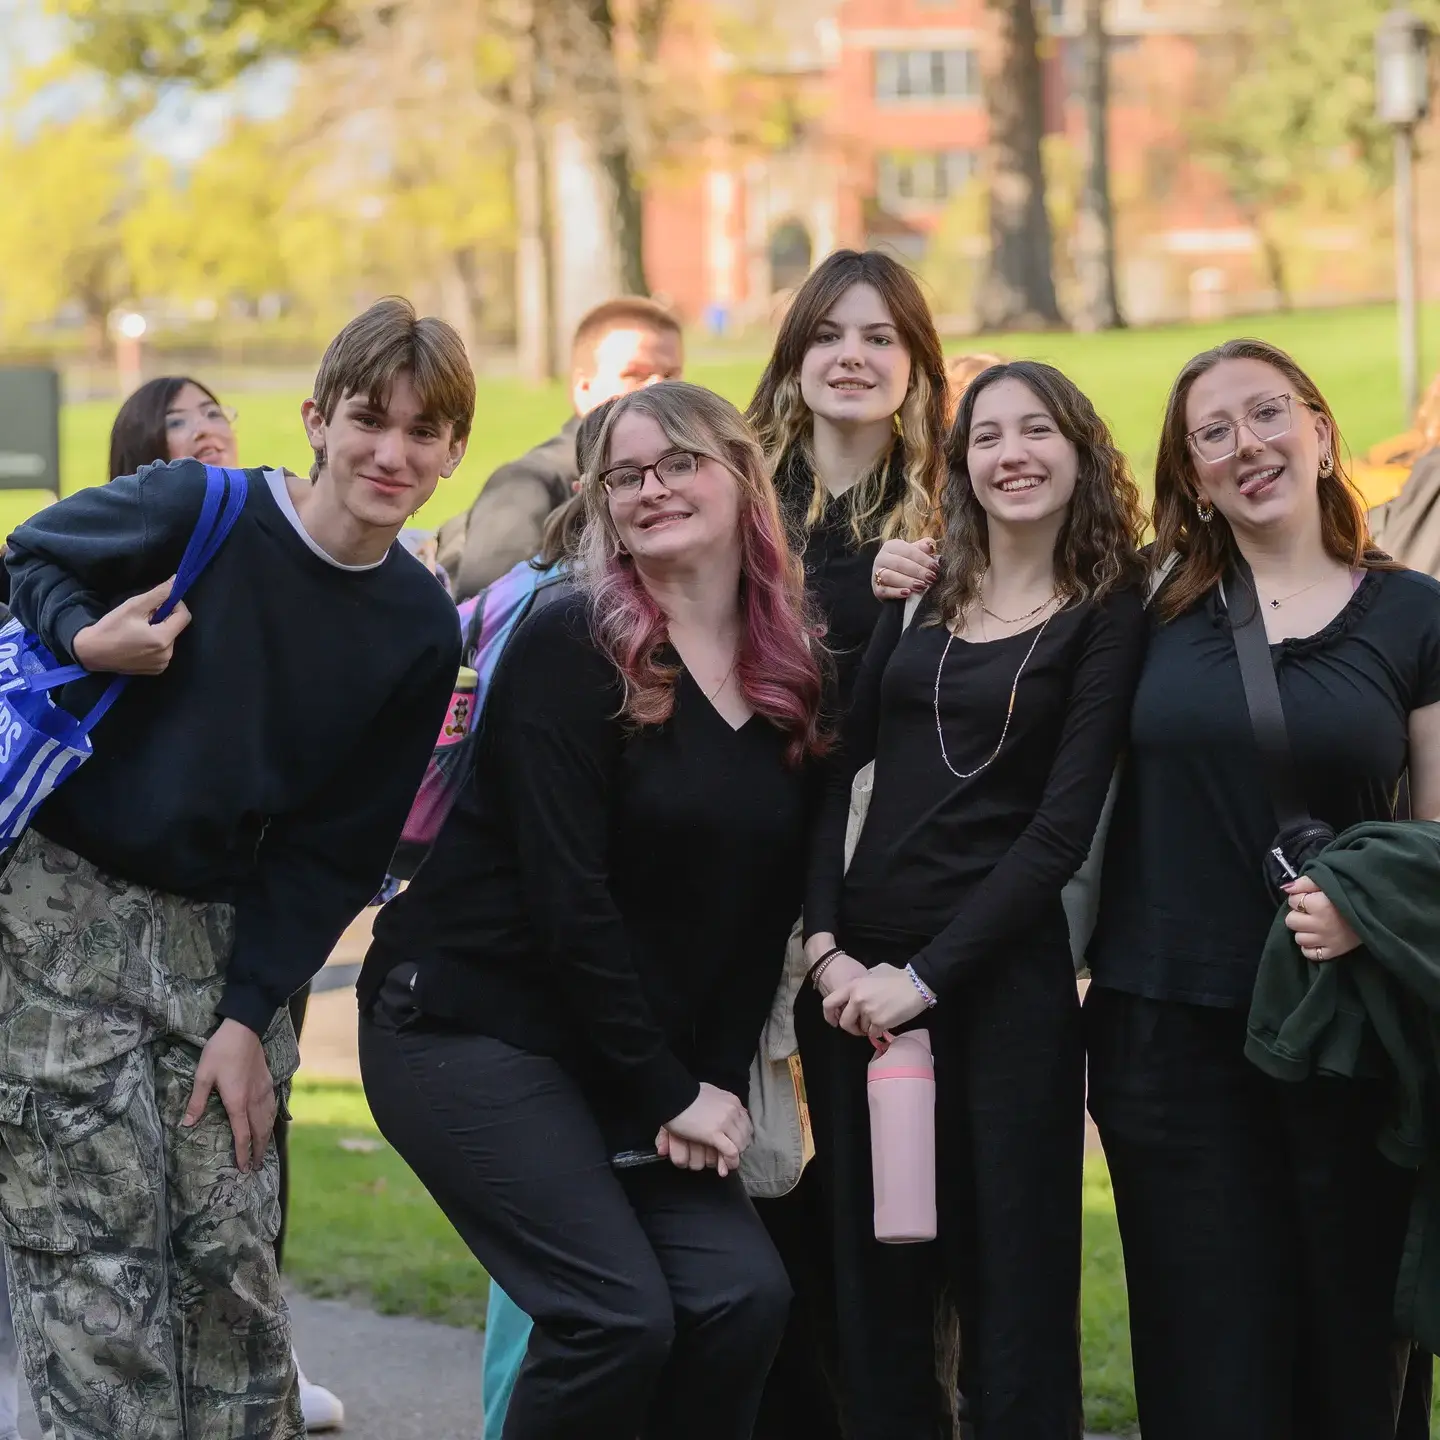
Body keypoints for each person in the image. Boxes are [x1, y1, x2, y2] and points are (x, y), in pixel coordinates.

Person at [0, 296, 468, 1439]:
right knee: (92, 1275)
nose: (391, 453)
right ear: (317, 419)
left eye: (423, 433)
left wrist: (252, 1013)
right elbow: (29, 557)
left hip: (225, 949)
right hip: (69, 917)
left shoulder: (418, 623)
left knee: (231, 1272)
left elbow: (337, 850)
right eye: (369, 419)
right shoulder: (196, 506)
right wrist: (87, 639)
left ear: (455, 453)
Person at [357, 380, 828, 1440]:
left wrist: (707, 1081)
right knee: (613, 1316)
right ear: (601, 503)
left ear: (740, 475)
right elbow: (566, 901)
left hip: (616, 1055)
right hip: (468, 1023)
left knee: (742, 1297)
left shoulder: (789, 668)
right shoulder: (575, 643)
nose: (653, 489)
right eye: (627, 475)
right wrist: (668, 1090)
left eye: (679, 464)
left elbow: (759, 914)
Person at [1083, 338, 1440, 1440]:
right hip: (1166, 1035)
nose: (1250, 445)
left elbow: (1436, 836)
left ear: (1323, 433)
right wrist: (908, 575)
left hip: (1343, 1035)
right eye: (1214, 432)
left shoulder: (1416, 616)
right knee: (1205, 1369)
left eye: (1269, 413)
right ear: (1192, 476)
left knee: (1347, 1363)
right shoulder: (1143, 610)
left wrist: (1365, 908)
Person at [806, 361, 1148, 1439]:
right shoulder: (918, 597)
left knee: (1015, 1292)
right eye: (987, 436)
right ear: (960, 468)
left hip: (1000, 990)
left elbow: (1060, 828)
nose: (1012, 454)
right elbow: (834, 772)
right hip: (858, 991)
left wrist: (927, 979)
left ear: (1081, 451)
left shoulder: (1108, 612)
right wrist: (825, 950)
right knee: (877, 1296)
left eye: (1037, 429)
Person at [88, 373, 348, 1432]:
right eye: (172, 426)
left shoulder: (292, 547)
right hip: (133, 903)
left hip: (262, 897)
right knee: (141, 1164)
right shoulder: (144, 558)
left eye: (210, 415)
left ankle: (267, 1367)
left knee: (247, 1147)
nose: (200, 432)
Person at [743, 248, 949, 1438]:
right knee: (765, 1215)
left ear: (917, 364)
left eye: (881, 337)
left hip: (870, 917)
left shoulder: (950, 514)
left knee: (883, 1227)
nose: (854, 357)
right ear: (797, 356)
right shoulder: (741, 499)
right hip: (738, 896)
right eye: (830, 334)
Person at [437, 296, 683, 601]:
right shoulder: (525, 486)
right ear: (583, 389)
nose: (657, 389)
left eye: (671, 376)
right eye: (635, 374)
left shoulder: (689, 476)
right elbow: (487, 624)